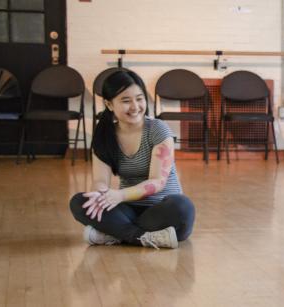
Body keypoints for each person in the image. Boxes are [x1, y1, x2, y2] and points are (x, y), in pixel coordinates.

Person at [69, 70, 195, 249]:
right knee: (80, 202)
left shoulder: (158, 130)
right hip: (127, 209)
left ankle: (115, 233)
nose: (135, 106)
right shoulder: (104, 135)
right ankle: (143, 237)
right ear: (109, 104)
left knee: (183, 206)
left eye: (139, 98)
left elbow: (158, 181)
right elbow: (99, 181)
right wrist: (100, 196)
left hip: (163, 210)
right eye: (126, 101)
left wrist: (119, 195)